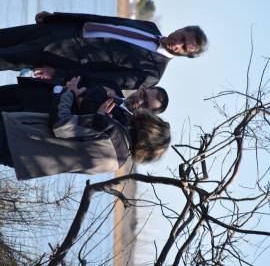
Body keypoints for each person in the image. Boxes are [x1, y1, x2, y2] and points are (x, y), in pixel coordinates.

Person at [0, 78, 171, 180]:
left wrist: (70, 92)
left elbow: (60, 125)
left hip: (19, 134)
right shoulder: (117, 162)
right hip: (26, 161)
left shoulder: (111, 128)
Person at [0, 11, 208, 89]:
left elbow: (100, 79)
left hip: (58, 55)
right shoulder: (150, 27)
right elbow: (106, 20)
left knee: (4, 58)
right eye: (182, 37)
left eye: (184, 48)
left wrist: (58, 75)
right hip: (63, 29)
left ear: (185, 55)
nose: (178, 44)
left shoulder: (151, 74)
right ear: (181, 29)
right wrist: (57, 18)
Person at [0, 76, 169, 125]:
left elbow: (86, 121)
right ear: (142, 88)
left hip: (34, 116)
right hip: (35, 92)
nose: (139, 100)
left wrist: (78, 95)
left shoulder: (119, 124)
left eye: (145, 104)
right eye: (143, 94)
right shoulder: (113, 85)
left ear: (148, 114)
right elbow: (81, 76)